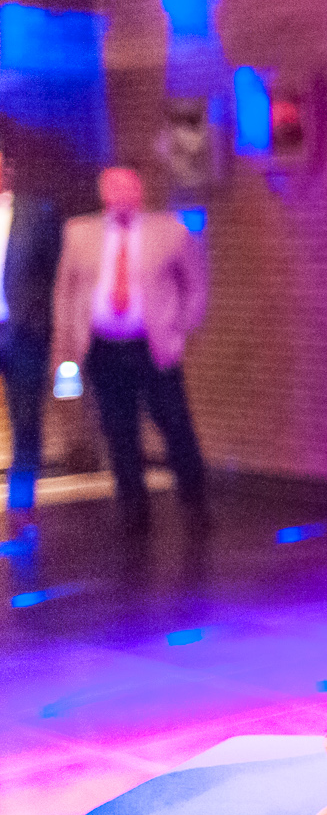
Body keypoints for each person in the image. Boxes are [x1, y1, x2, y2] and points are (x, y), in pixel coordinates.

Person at [54, 167, 209, 538]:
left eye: (127, 189)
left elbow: (196, 284)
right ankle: (133, 512)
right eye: (113, 190)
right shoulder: (79, 233)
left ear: (139, 192)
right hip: (103, 347)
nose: (121, 196)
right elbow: (66, 291)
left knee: (174, 423)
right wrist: (68, 343)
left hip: (151, 347)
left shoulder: (169, 231)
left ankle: (195, 502)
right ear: (104, 194)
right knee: (118, 431)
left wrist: (179, 328)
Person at [0, 139, 61, 511]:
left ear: (7, 167)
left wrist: (44, 324)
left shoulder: (35, 213)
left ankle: (22, 508)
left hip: (23, 333)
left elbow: (54, 274)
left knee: (26, 421)